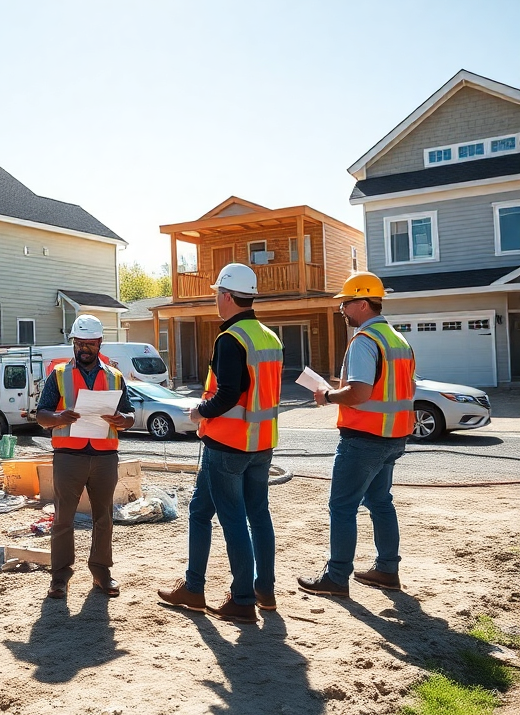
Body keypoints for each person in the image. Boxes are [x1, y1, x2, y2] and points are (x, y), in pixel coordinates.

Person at [158, 263, 283, 624]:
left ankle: (242, 599)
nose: (215, 299)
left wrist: (200, 413)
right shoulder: (269, 337)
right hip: (260, 444)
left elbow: (229, 392)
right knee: (238, 514)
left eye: (217, 294)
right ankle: (255, 589)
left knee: (232, 520)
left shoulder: (231, 338)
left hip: (227, 445)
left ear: (227, 296)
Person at [298, 272, 415, 598]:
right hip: (394, 437)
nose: (343, 310)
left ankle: (336, 578)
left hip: (364, 438)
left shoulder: (365, 341)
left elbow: (361, 391)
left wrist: (328, 395)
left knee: (343, 507)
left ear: (362, 303)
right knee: (380, 501)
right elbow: (403, 388)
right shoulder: (398, 340)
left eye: (345, 304)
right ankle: (387, 571)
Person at [35, 314, 134, 600]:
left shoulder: (114, 376)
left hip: (104, 457)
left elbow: (128, 414)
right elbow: (41, 415)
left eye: (89, 344)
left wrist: (122, 420)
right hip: (69, 456)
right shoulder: (59, 374)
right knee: (63, 519)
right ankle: (60, 577)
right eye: (79, 344)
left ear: (99, 343)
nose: (84, 349)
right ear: (74, 343)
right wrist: (57, 417)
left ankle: (101, 571)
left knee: (103, 518)